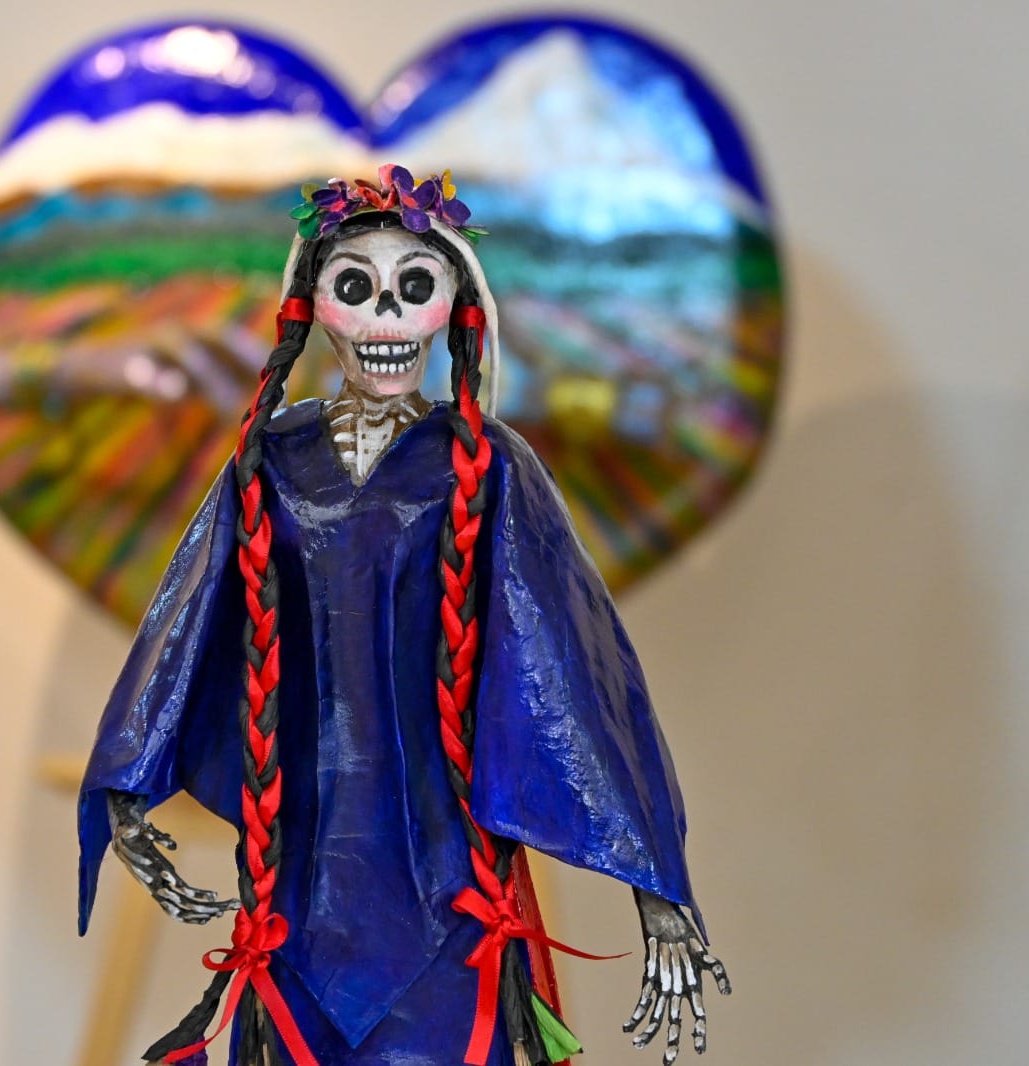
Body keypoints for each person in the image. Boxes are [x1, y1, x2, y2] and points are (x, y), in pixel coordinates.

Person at [78, 166, 729, 1066]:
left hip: (447, 888)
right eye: (356, 288)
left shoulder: (489, 468)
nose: (385, 317)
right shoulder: (269, 463)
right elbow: (186, 625)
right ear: (313, 308)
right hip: (295, 882)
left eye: (413, 287)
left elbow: (571, 670)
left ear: (452, 307)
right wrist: (126, 785)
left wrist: (653, 883)